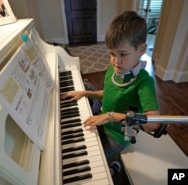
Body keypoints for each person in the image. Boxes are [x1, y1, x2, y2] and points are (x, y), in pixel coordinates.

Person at [61, 11, 161, 176]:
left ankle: (114, 167)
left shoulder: (144, 82)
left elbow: (153, 123)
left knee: (93, 162)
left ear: (141, 49)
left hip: (118, 135)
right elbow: (107, 94)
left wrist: (110, 116)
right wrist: (85, 93)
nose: (116, 61)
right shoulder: (113, 70)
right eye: (112, 54)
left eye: (123, 54)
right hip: (104, 122)